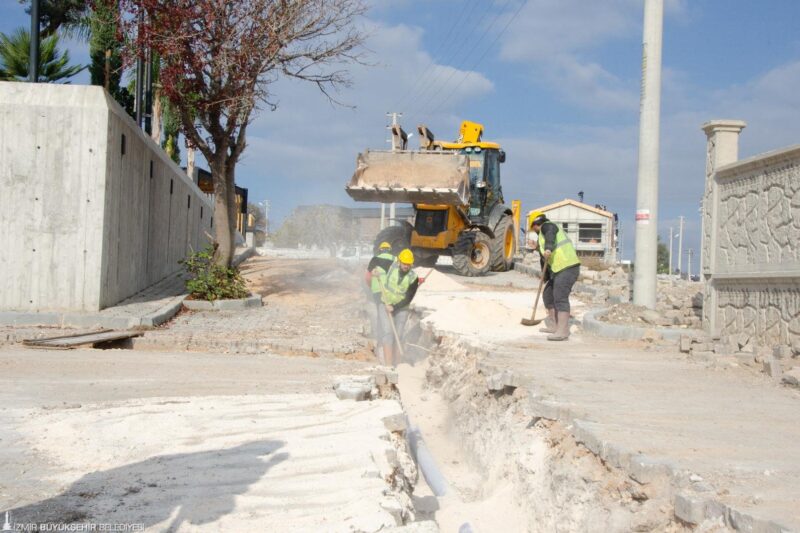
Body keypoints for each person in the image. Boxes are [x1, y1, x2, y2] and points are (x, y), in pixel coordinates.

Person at [529, 211, 581, 341]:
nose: (533, 230)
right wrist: (538, 248)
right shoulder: (543, 236)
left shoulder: (548, 226)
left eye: (533, 227)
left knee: (560, 297)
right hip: (558, 270)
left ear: (536, 224)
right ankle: (555, 326)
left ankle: (563, 331)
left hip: (568, 267)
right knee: (548, 294)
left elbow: (551, 235)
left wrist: (547, 248)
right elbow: (546, 255)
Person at [373, 248, 419, 367]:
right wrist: (375, 271)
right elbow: (375, 262)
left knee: (398, 335)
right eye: (404, 263)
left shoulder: (413, 278)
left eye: (408, 264)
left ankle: (398, 365)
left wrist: (395, 307)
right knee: (388, 332)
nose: (406, 266)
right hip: (385, 304)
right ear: (399, 261)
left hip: (401, 308)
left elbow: (408, 298)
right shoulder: (391, 266)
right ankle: (388, 365)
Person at [365, 242, 395, 361]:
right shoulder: (395, 259)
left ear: (380, 250)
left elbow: (367, 277)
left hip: (378, 292)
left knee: (381, 315)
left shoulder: (375, 259)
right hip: (392, 293)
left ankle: (380, 341)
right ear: (390, 250)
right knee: (390, 315)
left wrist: (371, 287)